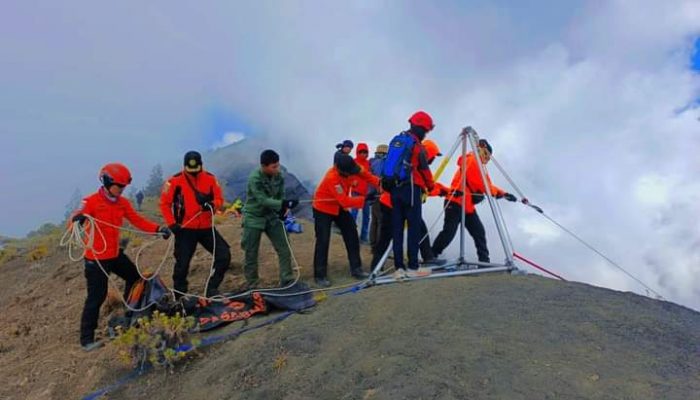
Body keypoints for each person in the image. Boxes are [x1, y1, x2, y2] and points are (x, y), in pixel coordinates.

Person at [70, 163, 170, 351]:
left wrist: (158, 229)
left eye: (124, 187)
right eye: (119, 186)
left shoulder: (123, 203)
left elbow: (137, 220)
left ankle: (130, 313)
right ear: (107, 182)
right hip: (96, 259)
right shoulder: (90, 202)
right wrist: (78, 220)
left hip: (115, 255)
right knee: (96, 297)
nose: (122, 190)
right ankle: (87, 340)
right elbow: (73, 222)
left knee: (134, 279)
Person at [431, 139, 518, 264]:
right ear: (482, 151)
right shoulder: (473, 161)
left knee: (479, 232)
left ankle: (484, 261)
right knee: (449, 232)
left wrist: (503, 193)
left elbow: (487, 184)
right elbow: (484, 185)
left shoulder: (477, 164)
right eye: (487, 156)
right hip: (455, 202)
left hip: (467, 206)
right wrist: (499, 193)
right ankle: (432, 254)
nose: (487, 160)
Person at [160, 151, 231, 298]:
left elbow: (219, 199)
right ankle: (179, 295)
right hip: (185, 229)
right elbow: (164, 204)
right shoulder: (174, 181)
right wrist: (172, 224)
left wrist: (212, 204)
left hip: (206, 227)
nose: (193, 173)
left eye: (196, 170)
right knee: (182, 264)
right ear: (184, 166)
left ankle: (212, 289)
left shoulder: (210, 179)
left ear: (201, 165)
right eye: (190, 171)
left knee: (224, 254)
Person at [369, 139, 448, 272]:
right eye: (433, 157)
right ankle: (376, 267)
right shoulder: (415, 167)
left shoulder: (410, 163)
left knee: (420, 229)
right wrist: (442, 191)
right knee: (387, 236)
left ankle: (427, 258)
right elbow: (423, 187)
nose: (432, 160)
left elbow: (423, 187)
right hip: (392, 205)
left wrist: (443, 190)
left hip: (393, 202)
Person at [312, 153, 380, 287]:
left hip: (339, 208)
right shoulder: (332, 178)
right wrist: (365, 199)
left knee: (352, 234)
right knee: (323, 240)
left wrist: (381, 184)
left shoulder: (353, 167)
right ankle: (320, 275)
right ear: (339, 169)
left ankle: (356, 269)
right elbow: (344, 201)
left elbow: (367, 176)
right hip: (323, 209)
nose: (352, 174)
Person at [385, 111, 436, 279]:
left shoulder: (398, 140)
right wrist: (431, 186)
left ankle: (399, 268)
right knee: (413, 228)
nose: (426, 133)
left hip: (395, 190)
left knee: (397, 229)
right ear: (421, 128)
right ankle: (413, 267)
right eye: (426, 130)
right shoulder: (416, 146)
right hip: (411, 190)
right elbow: (424, 169)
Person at [241, 150, 298, 288]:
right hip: (254, 216)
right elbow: (262, 200)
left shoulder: (279, 176)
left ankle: (287, 279)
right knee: (251, 251)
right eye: (273, 166)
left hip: (272, 216)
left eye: (277, 165)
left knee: (284, 247)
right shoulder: (255, 178)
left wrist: (284, 208)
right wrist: (281, 204)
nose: (277, 169)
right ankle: (252, 284)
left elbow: (280, 194)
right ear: (264, 166)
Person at [350, 142, 373, 243]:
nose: (363, 154)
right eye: (361, 152)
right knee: (354, 214)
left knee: (366, 216)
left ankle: (363, 236)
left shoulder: (369, 164)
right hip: (356, 192)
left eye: (365, 152)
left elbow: (371, 177)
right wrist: (351, 183)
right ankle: (351, 233)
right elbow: (348, 175)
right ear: (357, 152)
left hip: (366, 194)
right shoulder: (353, 162)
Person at [367, 144, 388, 247]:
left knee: (374, 220)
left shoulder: (372, 162)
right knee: (381, 221)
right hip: (379, 195)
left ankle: (373, 243)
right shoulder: (382, 163)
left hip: (371, 194)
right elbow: (381, 179)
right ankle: (379, 245)